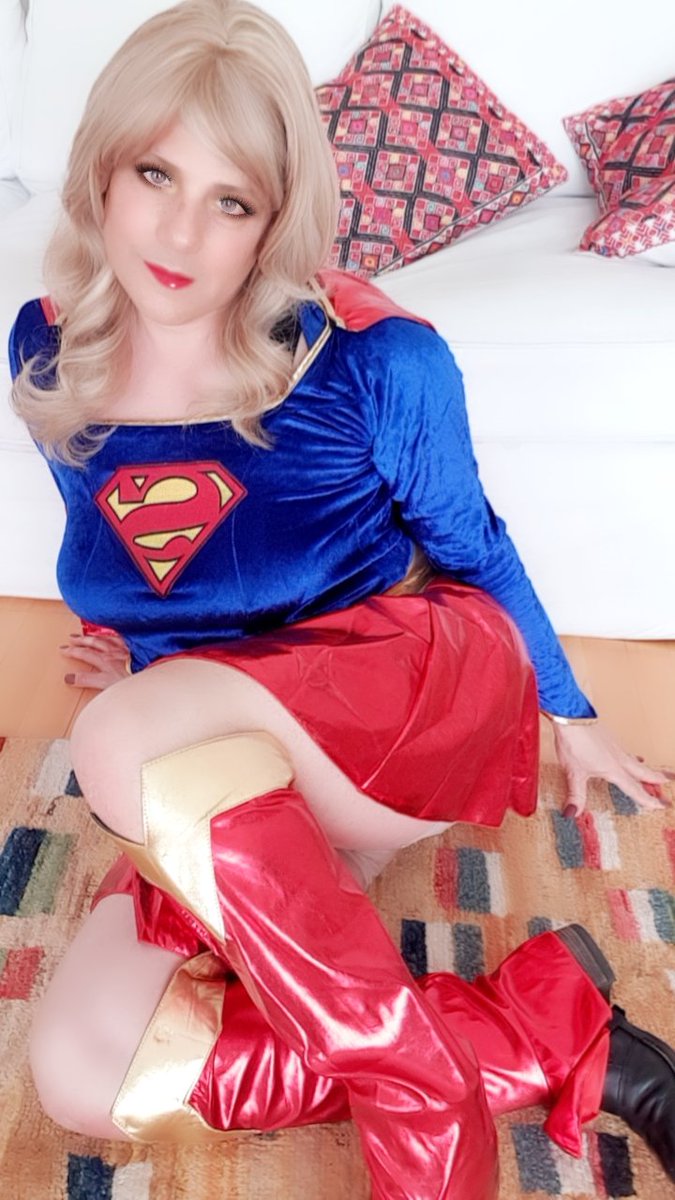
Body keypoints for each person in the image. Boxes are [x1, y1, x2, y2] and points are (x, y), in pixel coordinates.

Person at [8, 1, 674, 1196]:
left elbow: (476, 546)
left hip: (399, 698)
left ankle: (433, 1153)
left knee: (116, 739)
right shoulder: (48, 351)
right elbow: (114, 538)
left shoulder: (370, 357)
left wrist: (570, 711)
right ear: (101, 167)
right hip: (230, 761)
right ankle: (545, 1031)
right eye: (155, 173)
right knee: (86, 1070)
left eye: (232, 200)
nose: (179, 231)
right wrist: (145, 658)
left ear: (275, 221)